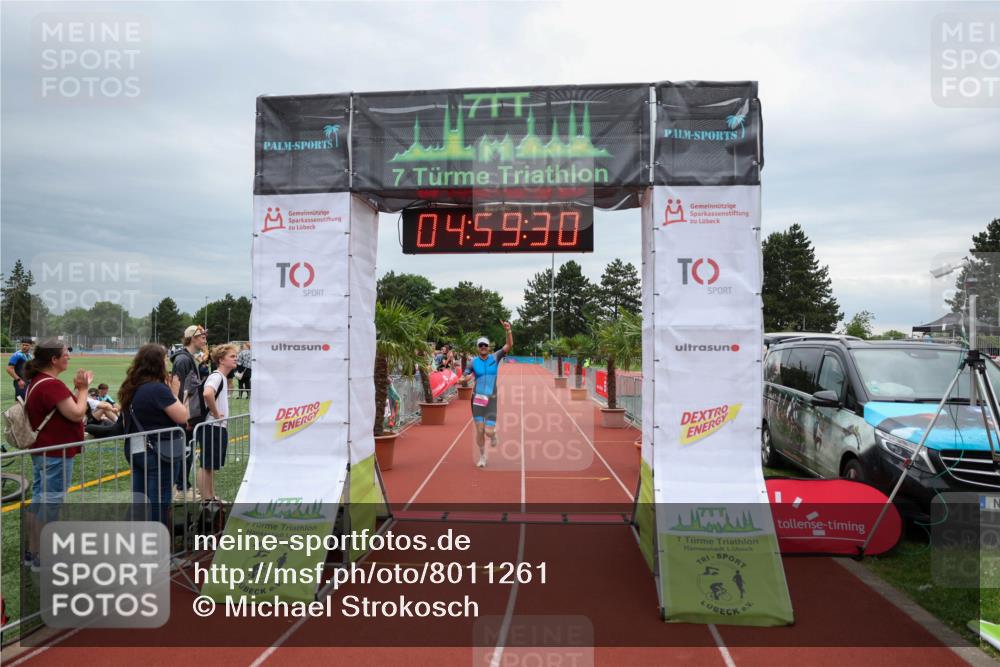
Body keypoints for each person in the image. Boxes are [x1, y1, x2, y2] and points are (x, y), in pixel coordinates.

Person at [23, 340, 92, 572]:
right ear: (53, 359)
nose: (69, 358)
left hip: (44, 451)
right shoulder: (50, 384)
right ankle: (43, 555)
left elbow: (61, 410)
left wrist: (76, 391)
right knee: (51, 503)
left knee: (40, 499)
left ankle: (33, 552)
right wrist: (83, 390)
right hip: (55, 453)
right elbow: (76, 413)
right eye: (65, 354)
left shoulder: (40, 381)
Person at [120, 344, 188, 527]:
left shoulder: (130, 386)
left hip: (135, 448)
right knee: (159, 501)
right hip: (158, 450)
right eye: (165, 358)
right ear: (157, 363)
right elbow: (182, 416)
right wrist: (174, 393)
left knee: (140, 500)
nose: (167, 361)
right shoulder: (157, 389)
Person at [462, 321, 513, 468]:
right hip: (477, 399)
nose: (483, 347)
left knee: (488, 431)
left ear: (488, 347)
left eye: (485, 345)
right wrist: (464, 378)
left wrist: (508, 331)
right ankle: (483, 456)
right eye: (481, 345)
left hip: (491, 398)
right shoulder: (473, 362)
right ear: (477, 348)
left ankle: (493, 435)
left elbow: (508, 345)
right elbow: (465, 375)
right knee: (479, 429)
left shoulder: (495, 357)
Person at [170, 325, 208, 500]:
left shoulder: (188, 358)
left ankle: (183, 485)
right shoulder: (183, 360)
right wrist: (185, 416)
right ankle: (181, 488)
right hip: (186, 416)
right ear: (193, 338)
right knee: (185, 452)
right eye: (201, 337)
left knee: (188, 451)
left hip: (191, 414)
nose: (204, 340)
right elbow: (180, 391)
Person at [197, 343, 237, 501]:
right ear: (221, 360)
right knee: (207, 465)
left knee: (211, 466)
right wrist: (215, 413)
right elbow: (207, 394)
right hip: (211, 426)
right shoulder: (216, 376)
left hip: (216, 426)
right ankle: (207, 499)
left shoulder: (222, 377)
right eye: (232, 356)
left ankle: (211, 496)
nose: (236, 359)